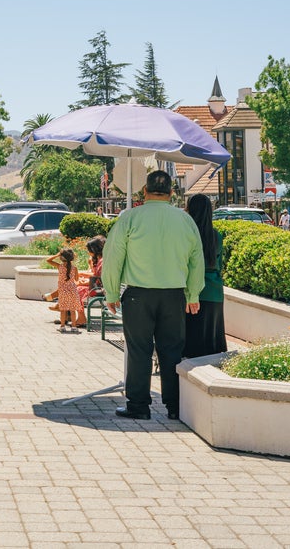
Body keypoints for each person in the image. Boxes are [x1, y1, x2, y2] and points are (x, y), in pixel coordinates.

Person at [101, 170, 204, 421]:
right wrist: (193, 295)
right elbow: (196, 261)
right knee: (172, 351)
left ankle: (138, 406)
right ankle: (174, 406)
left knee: (139, 350)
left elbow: (113, 256)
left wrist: (112, 292)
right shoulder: (185, 221)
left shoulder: (130, 218)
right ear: (171, 193)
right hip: (174, 296)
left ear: (144, 192)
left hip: (139, 296)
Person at [184, 194, 227, 359]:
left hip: (190, 291)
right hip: (214, 291)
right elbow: (219, 266)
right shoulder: (216, 235)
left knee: (192, 339)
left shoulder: (187, 234)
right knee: (212, 336)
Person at [46, 247, 85, 332]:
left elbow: (48, 260)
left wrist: (57, 255)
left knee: (63, 310)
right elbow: (77, 280)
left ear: (61, 257)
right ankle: (74, 327)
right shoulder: (74, 268)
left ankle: (62, 327)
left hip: (63, 291)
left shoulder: (59, 266)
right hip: (73, 291)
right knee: (72, 310)